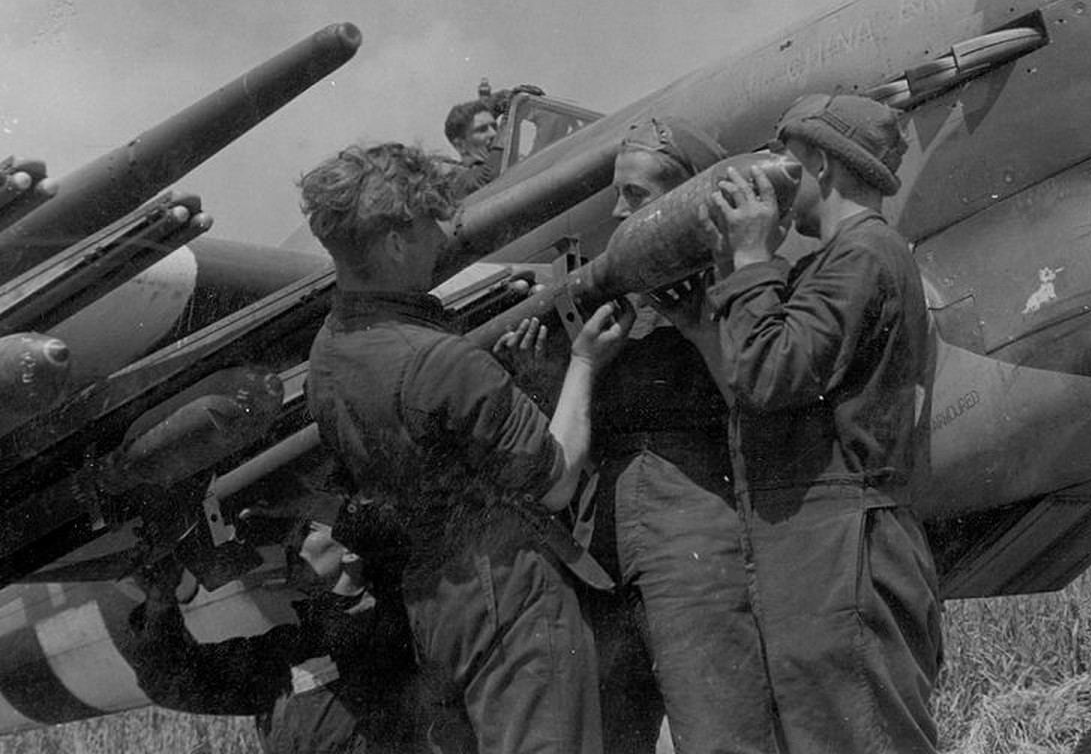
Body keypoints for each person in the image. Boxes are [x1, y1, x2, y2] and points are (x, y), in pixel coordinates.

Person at [300, 142, 632, 754]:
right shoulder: (440, 361)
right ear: (397, 243)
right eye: (430, 226)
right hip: (508, 589)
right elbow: (556, 479)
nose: (442, 238)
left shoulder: (328, 350)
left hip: (435, 596)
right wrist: (582, 362)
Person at [502, 118, 777, 754]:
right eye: (618, 195)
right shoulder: (617, 292)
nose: (621, 213)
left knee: (719, 729)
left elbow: (759, 400)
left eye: (640, 196)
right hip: (602, 538)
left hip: (693, 526)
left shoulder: (741, 283)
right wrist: (550, 373)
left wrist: (699, 326)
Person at [704, 93, 943, 754]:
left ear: (821, 164)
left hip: (845, 553)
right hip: (826, 551)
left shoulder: (862, 256)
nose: (772, 176)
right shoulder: (839, 261)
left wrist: (752, 261)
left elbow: (770, 374)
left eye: (785, 157)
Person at [121, 523, 459, 754]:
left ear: (351, 552)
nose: (291, 542)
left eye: (308, 529)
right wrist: (159, 601)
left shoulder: (405, 621)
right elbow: (172, 682)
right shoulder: (285, 652)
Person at [443, 100, 502, 198]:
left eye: (494, 127)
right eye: (482, 130)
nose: (494, 134)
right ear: (460, 146)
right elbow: (492, 174)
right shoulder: (462, 183)